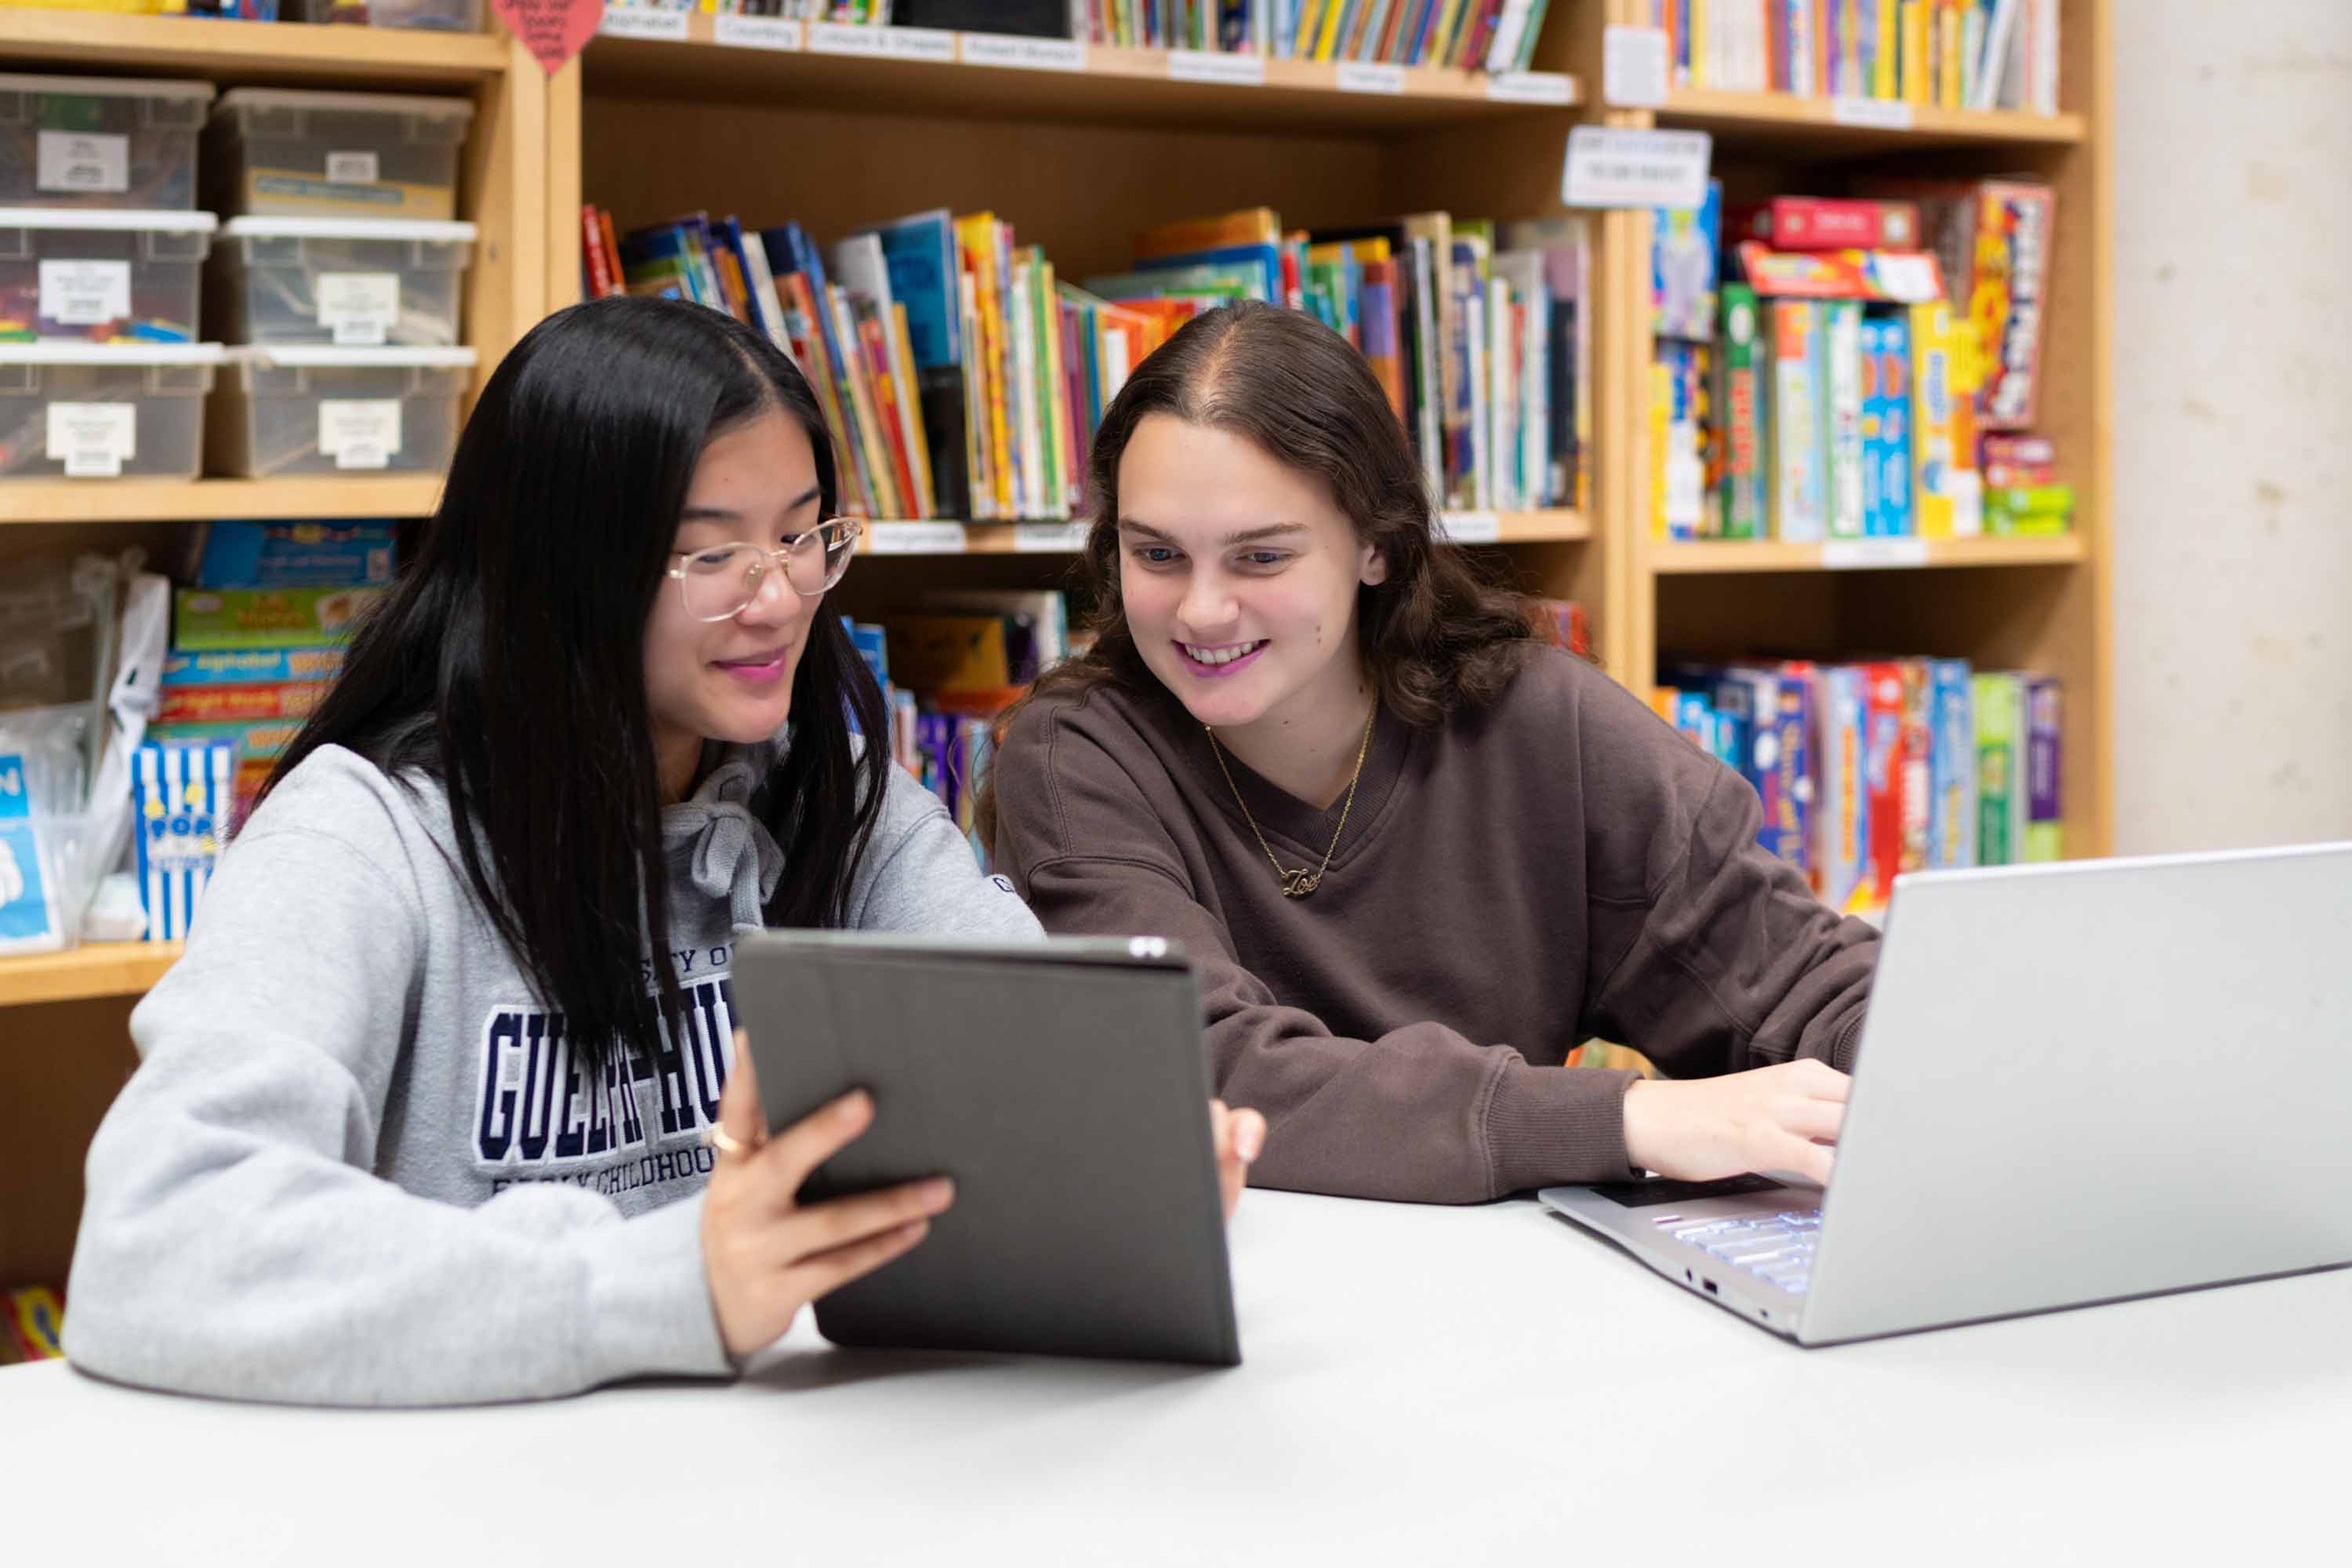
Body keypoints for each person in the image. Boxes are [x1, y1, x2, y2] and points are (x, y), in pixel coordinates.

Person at [64, 297, 1263, 1407]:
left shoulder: (837, 800)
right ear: (563, 575)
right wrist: (664, 1284)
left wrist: (1125, 1164)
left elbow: (1035, 1051)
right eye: (710, 555)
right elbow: (157, 1240)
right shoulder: (361, 837)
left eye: (805, 537)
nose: (781, 597)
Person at [981, 301, 1874, 1206]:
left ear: (1375, 545)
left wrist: (1916, 1063)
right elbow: (1202, 1069)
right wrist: (1626, 1121)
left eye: (1260, 558)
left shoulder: (1541, 719)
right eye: (1159, 553)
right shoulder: (1075, 758)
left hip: (1505, 1296)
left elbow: (1794, 977)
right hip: (1251, 1291)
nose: (1203, 610)